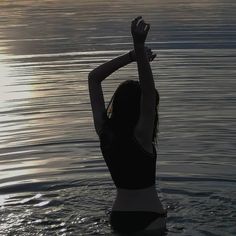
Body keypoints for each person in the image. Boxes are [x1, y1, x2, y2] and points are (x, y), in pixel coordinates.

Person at [88, 16, 167, 234]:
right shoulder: (142, 134)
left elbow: (93, 78)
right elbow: (149, 94)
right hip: (150, 219)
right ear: (140, 107)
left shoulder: (104, 131)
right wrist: (139, 48)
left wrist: (132, 56)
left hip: (118, 217)